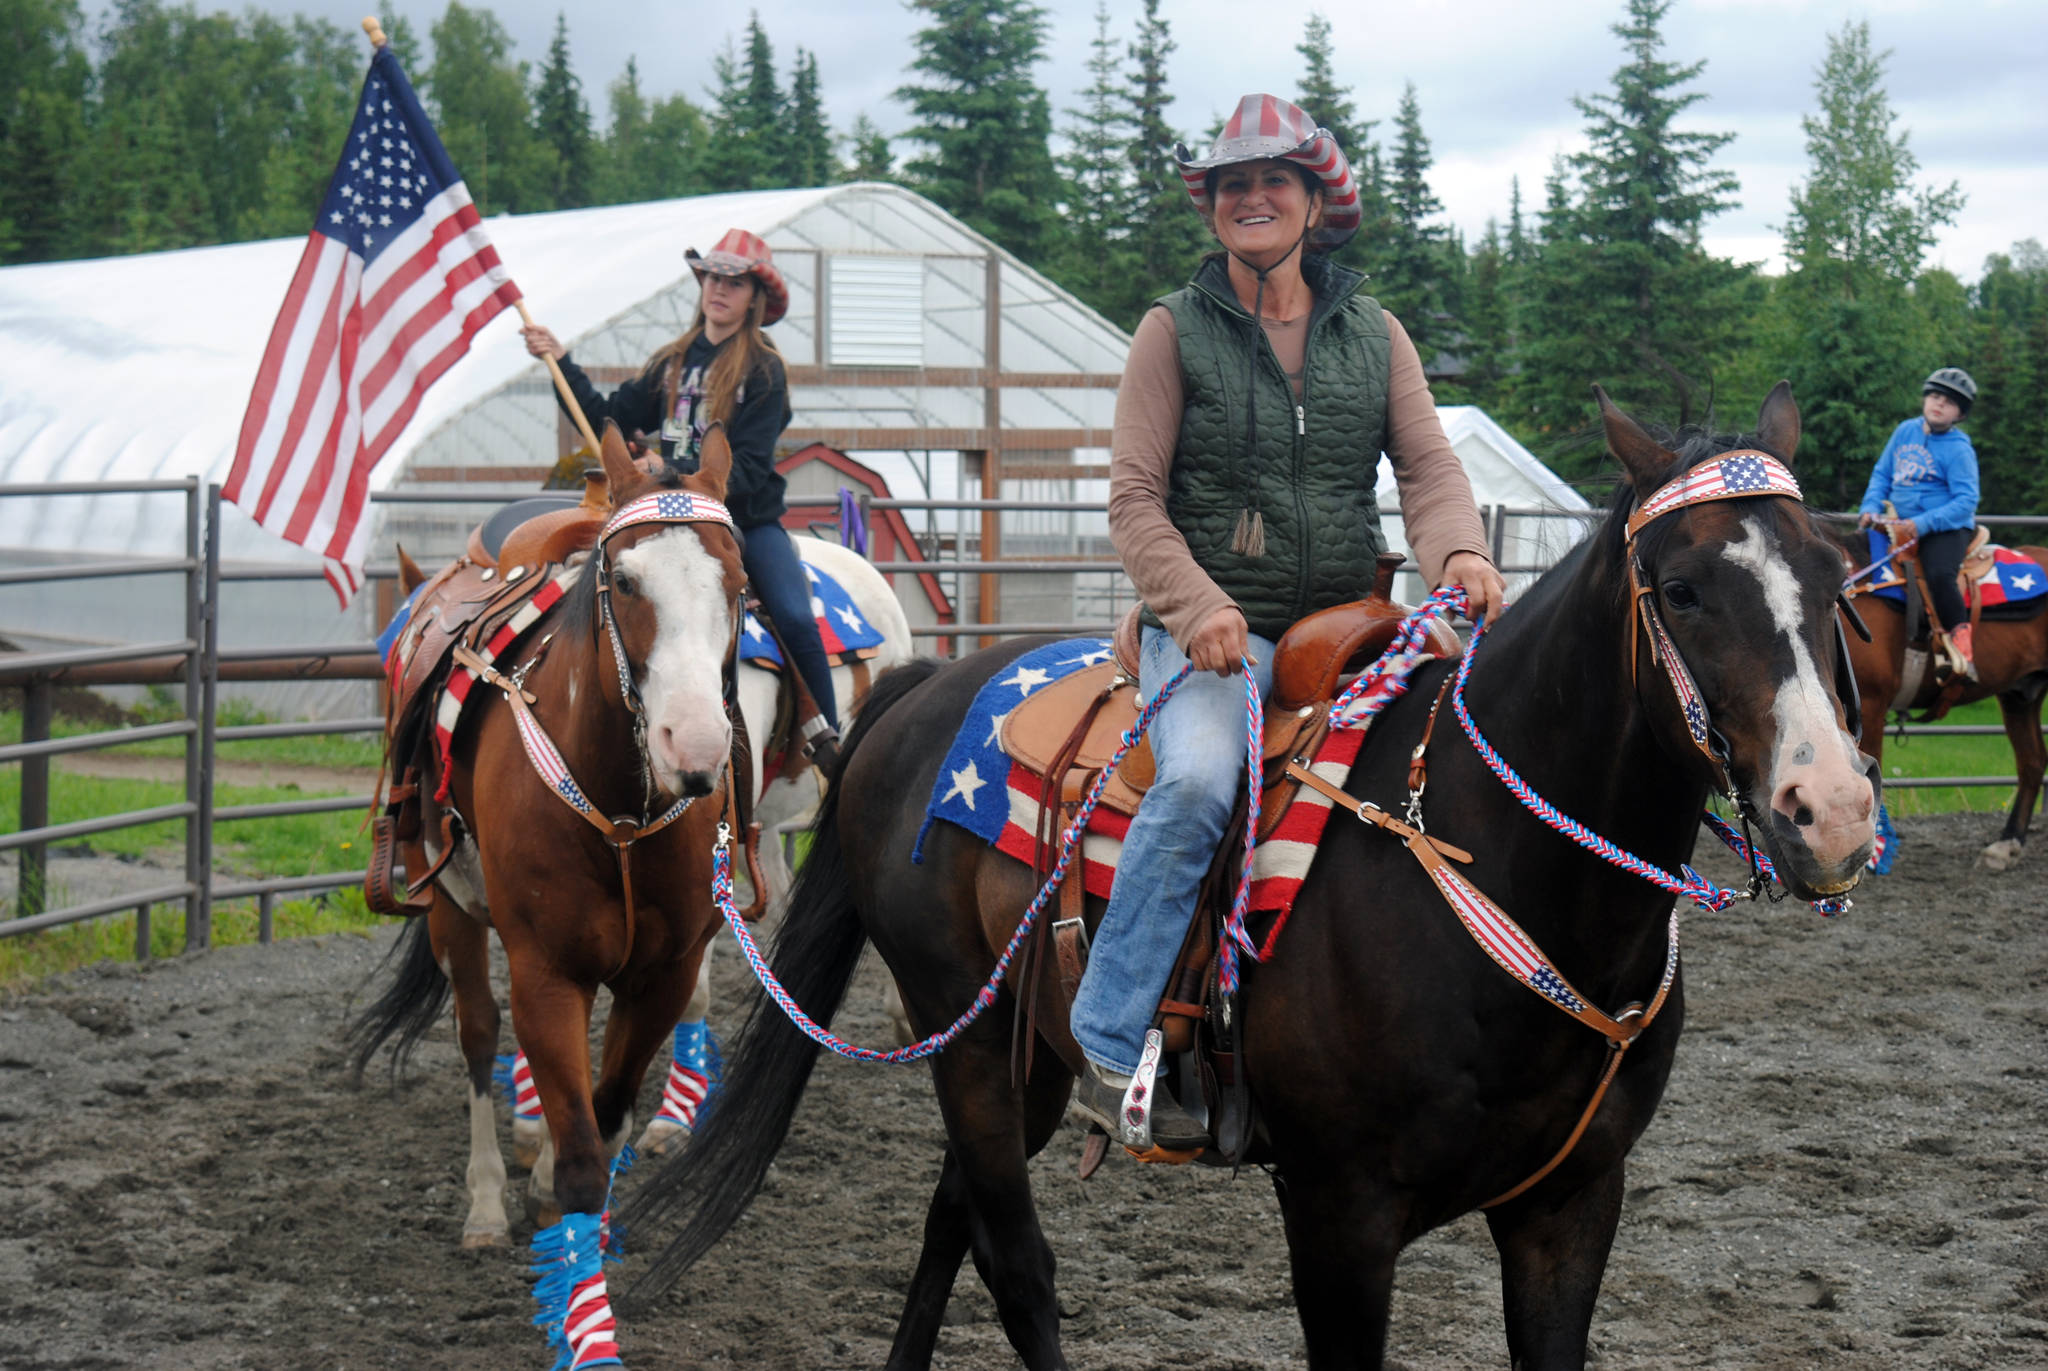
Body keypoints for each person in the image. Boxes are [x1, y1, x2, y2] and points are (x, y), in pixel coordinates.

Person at [1069, 94, 1507, 1151]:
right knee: (1199, 780)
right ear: (1211, 208)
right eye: (1230, 184)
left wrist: (1458, 552)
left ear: (1316, 201)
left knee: (1472, 752)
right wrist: (1197, 605)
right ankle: (1108, 1037)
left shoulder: (1375, 332)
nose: (1249, 198)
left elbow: (1427, 467)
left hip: (1352, 623)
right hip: (1215, 627)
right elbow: (1132, 499)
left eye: (1272, 180)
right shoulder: (1170, 331)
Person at [520, 227, 842, 764]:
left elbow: (753, 466)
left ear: (754, 297)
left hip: (740, 519)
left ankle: (829, 745)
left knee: (793, 614)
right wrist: (560, 361)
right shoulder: (671, 362)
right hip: (657, 520)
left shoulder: (764, 370)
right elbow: (610, 416)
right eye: (712, 276)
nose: (719, 289)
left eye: (734, 282)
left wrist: (668, 470)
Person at [1856, 367, 1981, 678]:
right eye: (1935, 396)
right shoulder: (1905, 431)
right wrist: (1870, 506)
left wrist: (1923, 524)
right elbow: (1882, 473)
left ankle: (1959, 638)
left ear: (1959, 414)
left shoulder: (1959, 449)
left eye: (1950, 402)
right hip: (1896, 522)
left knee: (1939, 574)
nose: (1939, 404)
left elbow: (1967, 499)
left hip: (1946, 527)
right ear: (1925, 398)